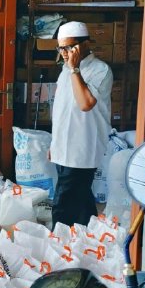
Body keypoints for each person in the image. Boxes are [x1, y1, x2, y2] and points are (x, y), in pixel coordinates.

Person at [49, 21, 112, 228]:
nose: (65, 53)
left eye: (69, 47)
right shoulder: (65, 72)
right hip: (63, 148)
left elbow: (85, 104)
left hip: (82, 148)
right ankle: (88, 237)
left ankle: (58, 243)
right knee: (81, 198)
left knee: (63, 203)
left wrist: (75, 70)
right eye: (61, 48)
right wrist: (54, 143)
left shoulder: (100, 70)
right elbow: (61, 112)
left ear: (85, 44)